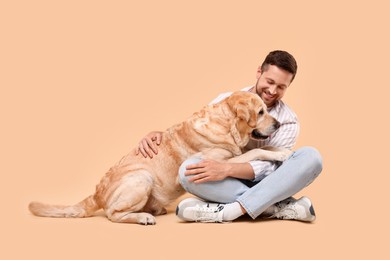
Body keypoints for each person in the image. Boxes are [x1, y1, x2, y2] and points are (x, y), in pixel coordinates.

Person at [136, 50, 323, 223]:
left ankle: (228, 211)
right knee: (187, 170)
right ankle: (274, 208)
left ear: (289, 86)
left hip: (267, 183)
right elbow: (197, 131)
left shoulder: (288, 121)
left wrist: (226, 169)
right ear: (259, 72)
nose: (273, 91)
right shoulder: (226, 100)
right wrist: (163, 135)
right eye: (270, 81)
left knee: (312, 157)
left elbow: (269, 168)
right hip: (226, 184)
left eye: (281, 86)